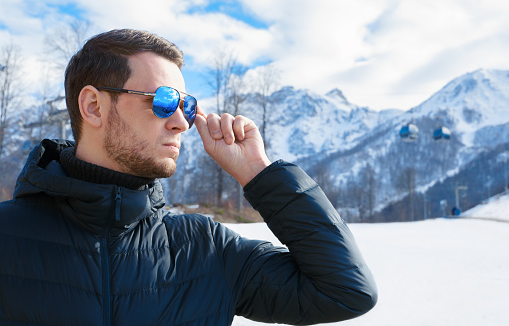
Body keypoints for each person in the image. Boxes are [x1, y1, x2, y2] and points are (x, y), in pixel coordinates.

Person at [0, 29, 377, 325]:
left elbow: (345, 291)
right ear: (94, 106)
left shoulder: (206, 249)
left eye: (187, 105)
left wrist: (258, 174)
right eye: (164, 100)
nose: (181, 122)